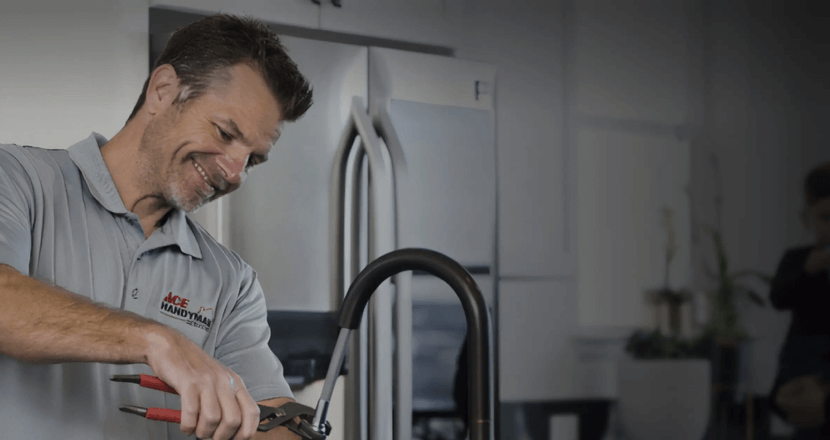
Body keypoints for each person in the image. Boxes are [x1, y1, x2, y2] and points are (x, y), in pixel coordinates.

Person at [0, 14, 312, 440]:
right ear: (163, 90)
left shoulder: (231, 280)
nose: (235, 173)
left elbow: (270, 414)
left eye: (252, 160)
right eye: (225, 133)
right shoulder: (17, 179)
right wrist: (153, 339)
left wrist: (290, 429)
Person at [769, 162, 830, 439]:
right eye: (826, 218)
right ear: (808, 219)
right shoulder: (797, 258)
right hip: (802, 352)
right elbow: (778, 298)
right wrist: (807, 270)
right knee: (802, 417)